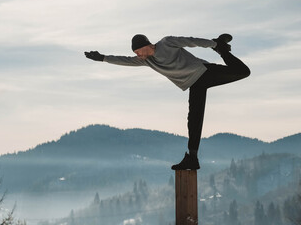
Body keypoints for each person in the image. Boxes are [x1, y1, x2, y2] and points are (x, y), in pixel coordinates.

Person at [84, 33, 250, 170]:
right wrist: (103, 58)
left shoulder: (167, 43)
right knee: (194, 119)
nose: (138, 55)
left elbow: (191, 41)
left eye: (139, 51)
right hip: (193, 83)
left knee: (243, 72)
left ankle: (222, 49)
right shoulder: (146, 61)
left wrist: (214, 45)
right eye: (136, 53)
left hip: (204, 72)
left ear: (147, 45)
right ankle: (192, 158)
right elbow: (125, 60)